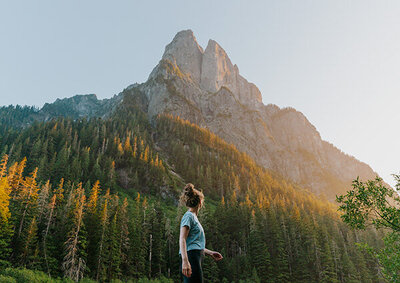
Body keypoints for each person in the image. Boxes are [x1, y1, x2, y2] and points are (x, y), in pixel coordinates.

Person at [179, 183, 223, 282]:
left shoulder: (193, 218)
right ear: (200, 202)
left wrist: (210, 253)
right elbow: (182, 238)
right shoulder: (189, 216)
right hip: (191, 257)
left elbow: (194, 243)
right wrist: (185, 261)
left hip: (195, 257)